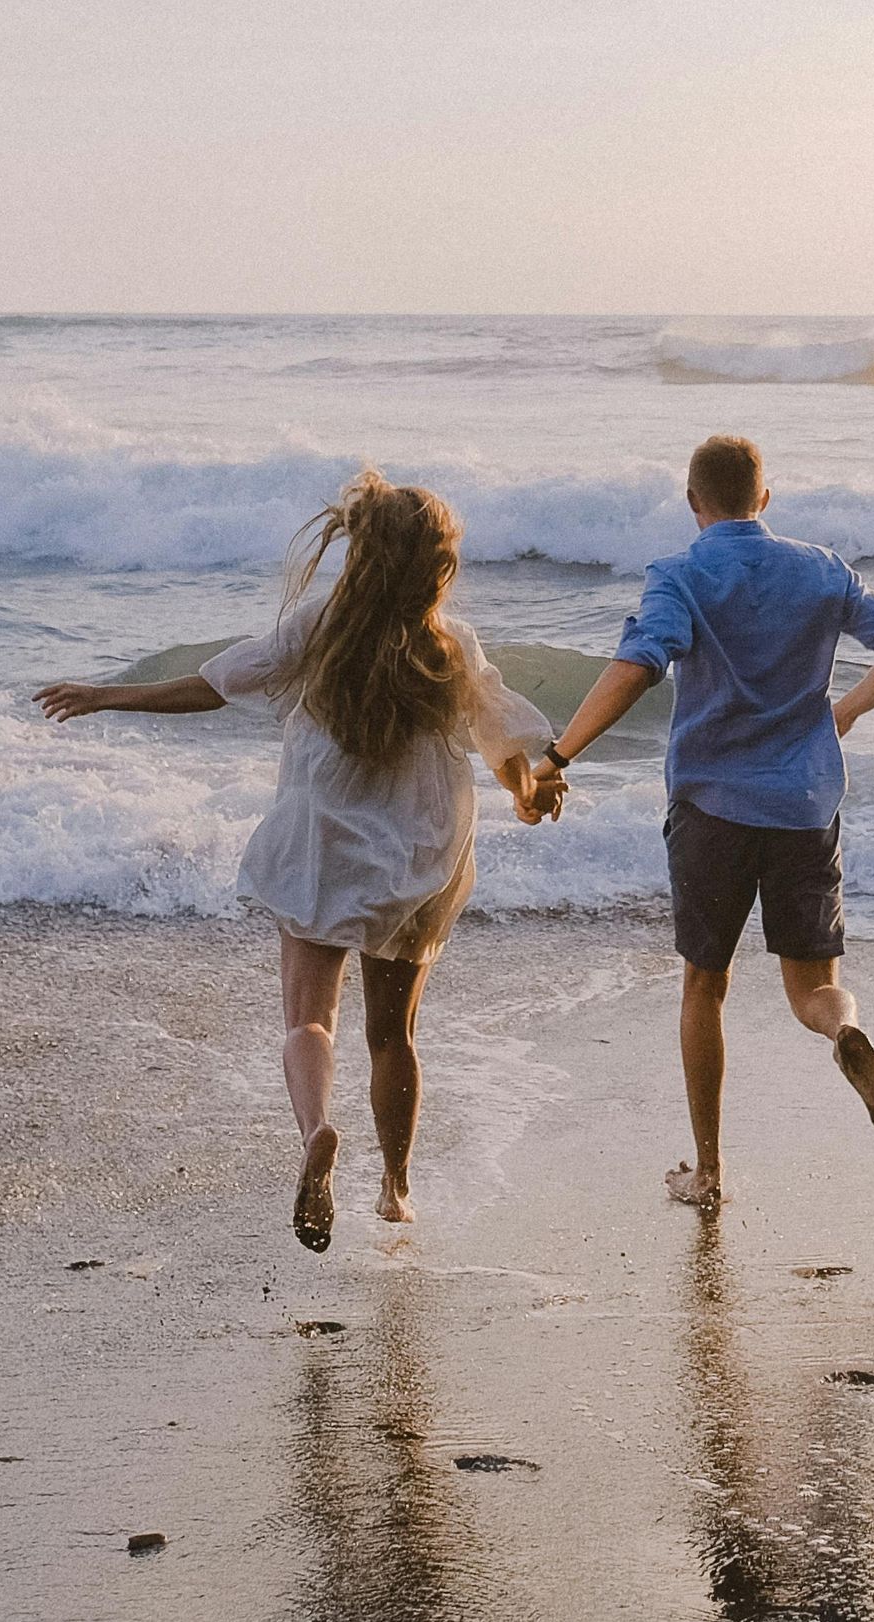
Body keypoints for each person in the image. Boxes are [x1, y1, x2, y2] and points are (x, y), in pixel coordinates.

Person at [35, 471, 558, 1253]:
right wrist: (525, 789)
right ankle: (396, 1189)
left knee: (309, 1015)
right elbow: (499, 733)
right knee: (393, 1033)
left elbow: (217, 682)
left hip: (323, 844)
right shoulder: (451, 643)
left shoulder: (319, 626)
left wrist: (112, 694)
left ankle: (317, 1129)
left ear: (362, 552)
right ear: (437, 567)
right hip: (418, 854)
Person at [531, 434, 874, 1212]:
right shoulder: (821, 568)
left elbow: (640, 664)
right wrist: (838, 713)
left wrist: (558, 756)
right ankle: (846, 1033)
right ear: (765, 500)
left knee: (705, 988)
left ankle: (708, 1173)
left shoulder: (680, 574)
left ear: (692, 502)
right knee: (815, 988)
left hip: (712, 808)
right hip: (805, 806)